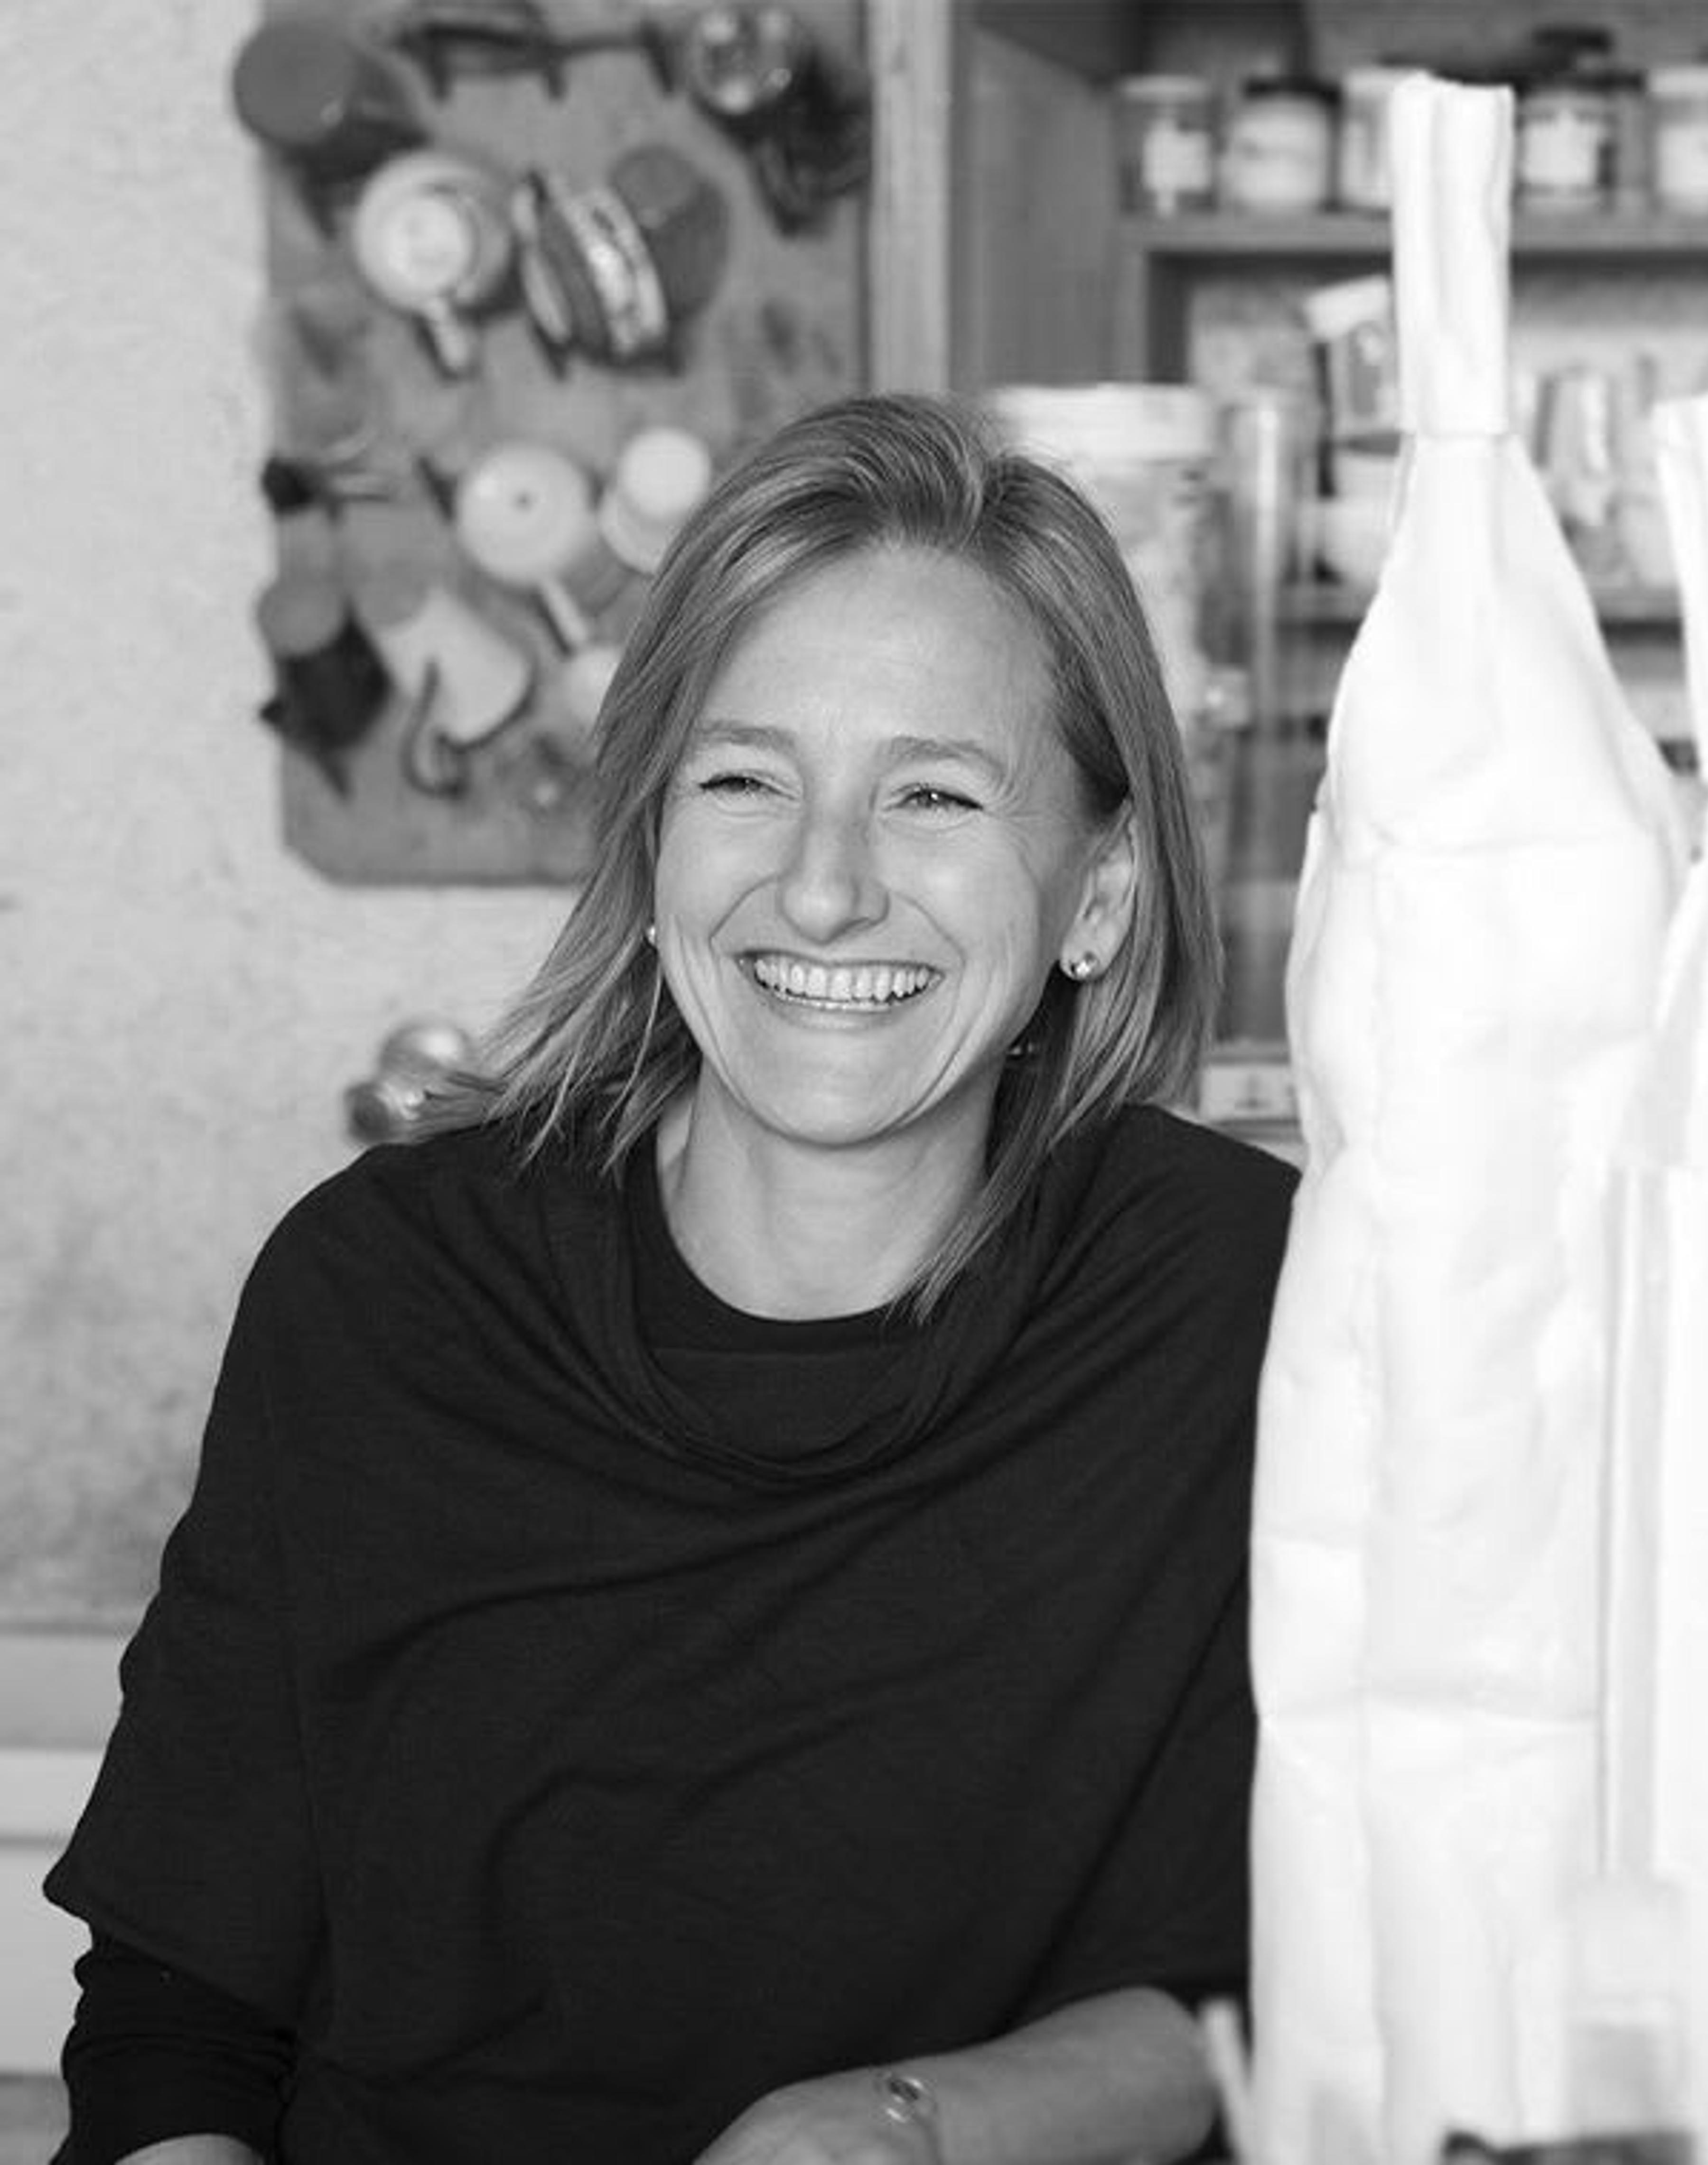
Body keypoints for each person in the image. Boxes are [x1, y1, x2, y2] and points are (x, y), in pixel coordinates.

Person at [45, 391, 1297, 2165]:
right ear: (648, 847)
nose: (825, 886)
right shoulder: (379, 1295)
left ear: (1100, 890)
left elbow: (1272, 1984)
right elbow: (178, 2018)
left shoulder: (1238, 1304)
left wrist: (900, 2133)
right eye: (745, 781)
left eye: (934, 793)